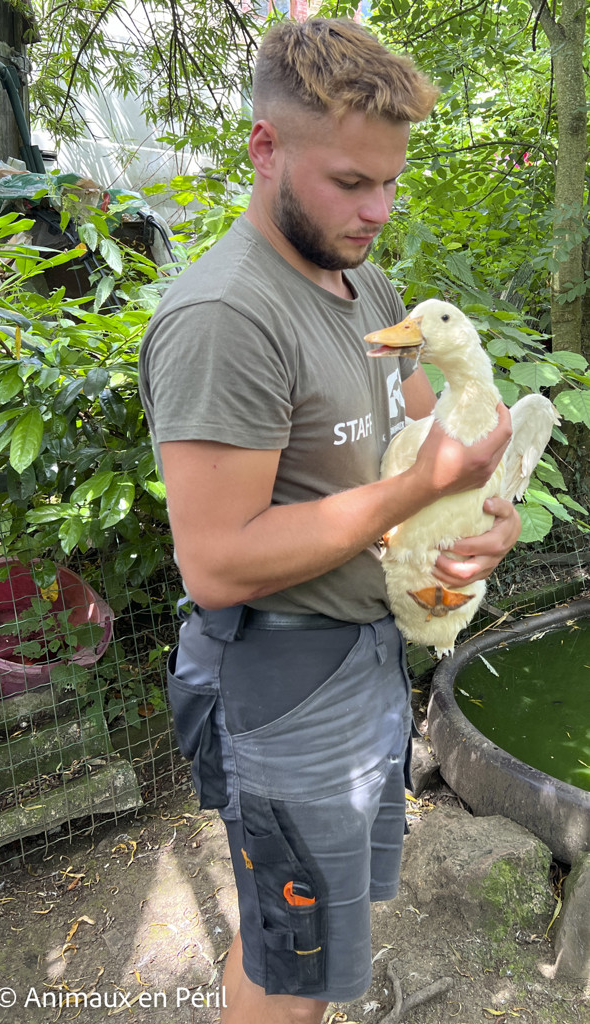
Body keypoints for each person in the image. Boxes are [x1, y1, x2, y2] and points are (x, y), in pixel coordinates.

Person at [138, 17, 520, 1024]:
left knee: (325, 923)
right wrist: (408, 494)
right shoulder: (226, 316)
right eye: (351, 183)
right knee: (289, 959)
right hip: (280, 679)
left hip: (362, 658)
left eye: (390, 182)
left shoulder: (368, 287)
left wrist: (481, 525)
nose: (378, 210)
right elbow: (217, 563)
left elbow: (417, 442)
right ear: (264, 148)